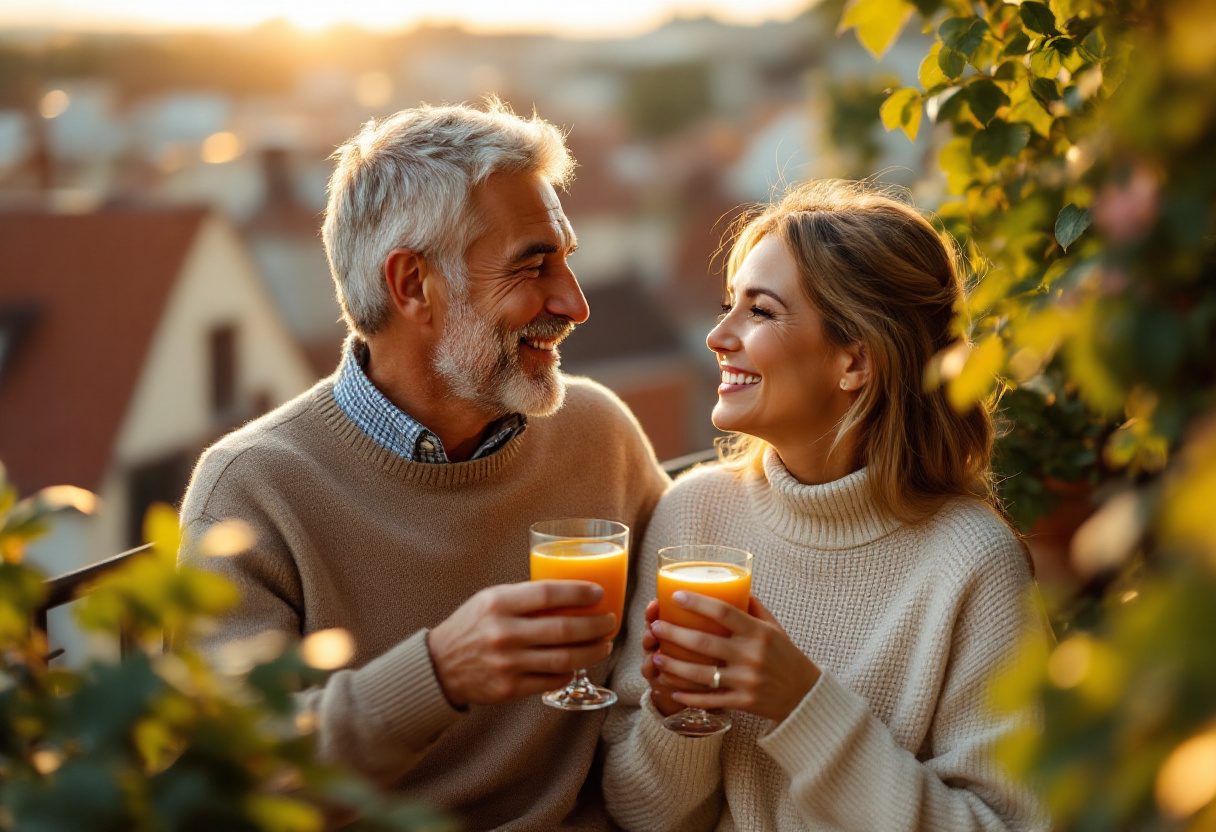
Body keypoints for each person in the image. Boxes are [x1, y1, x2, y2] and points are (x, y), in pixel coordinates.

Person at [178, 101, 668, 830]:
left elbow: (658, 668)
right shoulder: (251, 491)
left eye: (567, 259)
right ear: (412, 285)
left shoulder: (598, 433)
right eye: (533, 266)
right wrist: (440, 673)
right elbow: (235, 774)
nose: (575, 303)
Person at [602, 180, 1051, 831]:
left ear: (855, 362)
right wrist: (677, 719)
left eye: (759, 311)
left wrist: (801, 704)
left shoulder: (972, 563)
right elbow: (643, 815)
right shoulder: (692, 516)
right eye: (729, 305)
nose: (717, 336)